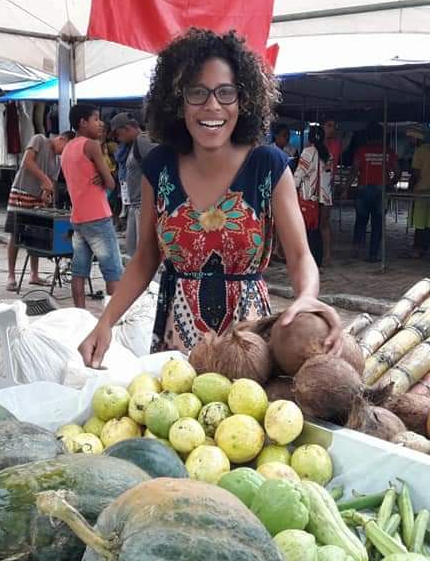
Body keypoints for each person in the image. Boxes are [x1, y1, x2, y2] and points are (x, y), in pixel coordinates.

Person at [78, 29, 342, 366]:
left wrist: (307, 297)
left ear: (243, 99)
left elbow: (300, 255)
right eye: (197, 93)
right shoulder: (159, 167)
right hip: (176, 347)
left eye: (225, 92)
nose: (212, 105)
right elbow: (145, 258)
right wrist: (105, 322)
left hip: (249, 346)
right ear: (178, 101)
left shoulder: (269, 166)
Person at [61, 104, 122, 308]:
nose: (100, 123)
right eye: (96, 119)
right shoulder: (91, 145)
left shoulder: (67, 148)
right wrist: (104, 177)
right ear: (82, 122)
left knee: (79, 271)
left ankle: (81, 315)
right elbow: (111, 183)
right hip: (98, 216)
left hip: (78, 217)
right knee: (112, 270)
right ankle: (113, 320)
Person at [5, 130, 75, 291]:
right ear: (61, 139)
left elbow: (52, 182)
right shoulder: (39, 140)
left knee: (36, 234)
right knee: (15, 233)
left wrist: (47, 195)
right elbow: (27, 162)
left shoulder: (58, 160)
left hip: (37, 198)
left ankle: (34, 274)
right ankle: (11, 275)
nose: (65, 152)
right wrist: (43, 179)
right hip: (21, 192)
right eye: (66, 148)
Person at [349, 122, 397, 262]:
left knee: (360, 221)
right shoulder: (388, 152)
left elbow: (354, 171)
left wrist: (346, 187)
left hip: (363, 189)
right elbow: (398, 171)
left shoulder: (361, 151)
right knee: (377, 224)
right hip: (381, 190)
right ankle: (373, 255)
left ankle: (356, 251)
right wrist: (391, 182)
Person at [110, 112, 155, 257]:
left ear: (126, 128)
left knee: (143, 253)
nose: (118, 138)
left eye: (118, 134)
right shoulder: (133, 145)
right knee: (132, 249)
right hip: (136, 204)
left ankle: (148, 280)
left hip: (144, 203)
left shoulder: (143, 141)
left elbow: (159, 167)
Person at [294, 124, 333, 267]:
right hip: (326, 198)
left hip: (311, 198)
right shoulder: (328, 154)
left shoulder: (308, 152)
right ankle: (322, 258)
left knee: (308, 231)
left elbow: (299, 175)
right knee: (321, 229)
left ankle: (308, 261)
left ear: (309, 137)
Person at [405, 124, 430, 257]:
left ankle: (417, 248)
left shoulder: (419, 151)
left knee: (419, 221)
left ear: (415, 138)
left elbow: (416, 173)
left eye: (410, 138)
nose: (409, 141)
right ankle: (425, 246)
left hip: (421, 189)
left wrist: (410, 187)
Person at [320, 119, 341, 266]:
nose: (331, 129)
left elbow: (328, 163)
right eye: (328, 126)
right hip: (315, 187)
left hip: (326, 186)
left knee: (324, 221)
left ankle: (327, 254)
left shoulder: (335, 145)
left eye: (333, 126)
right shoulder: (313, 145)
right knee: (316, 222)